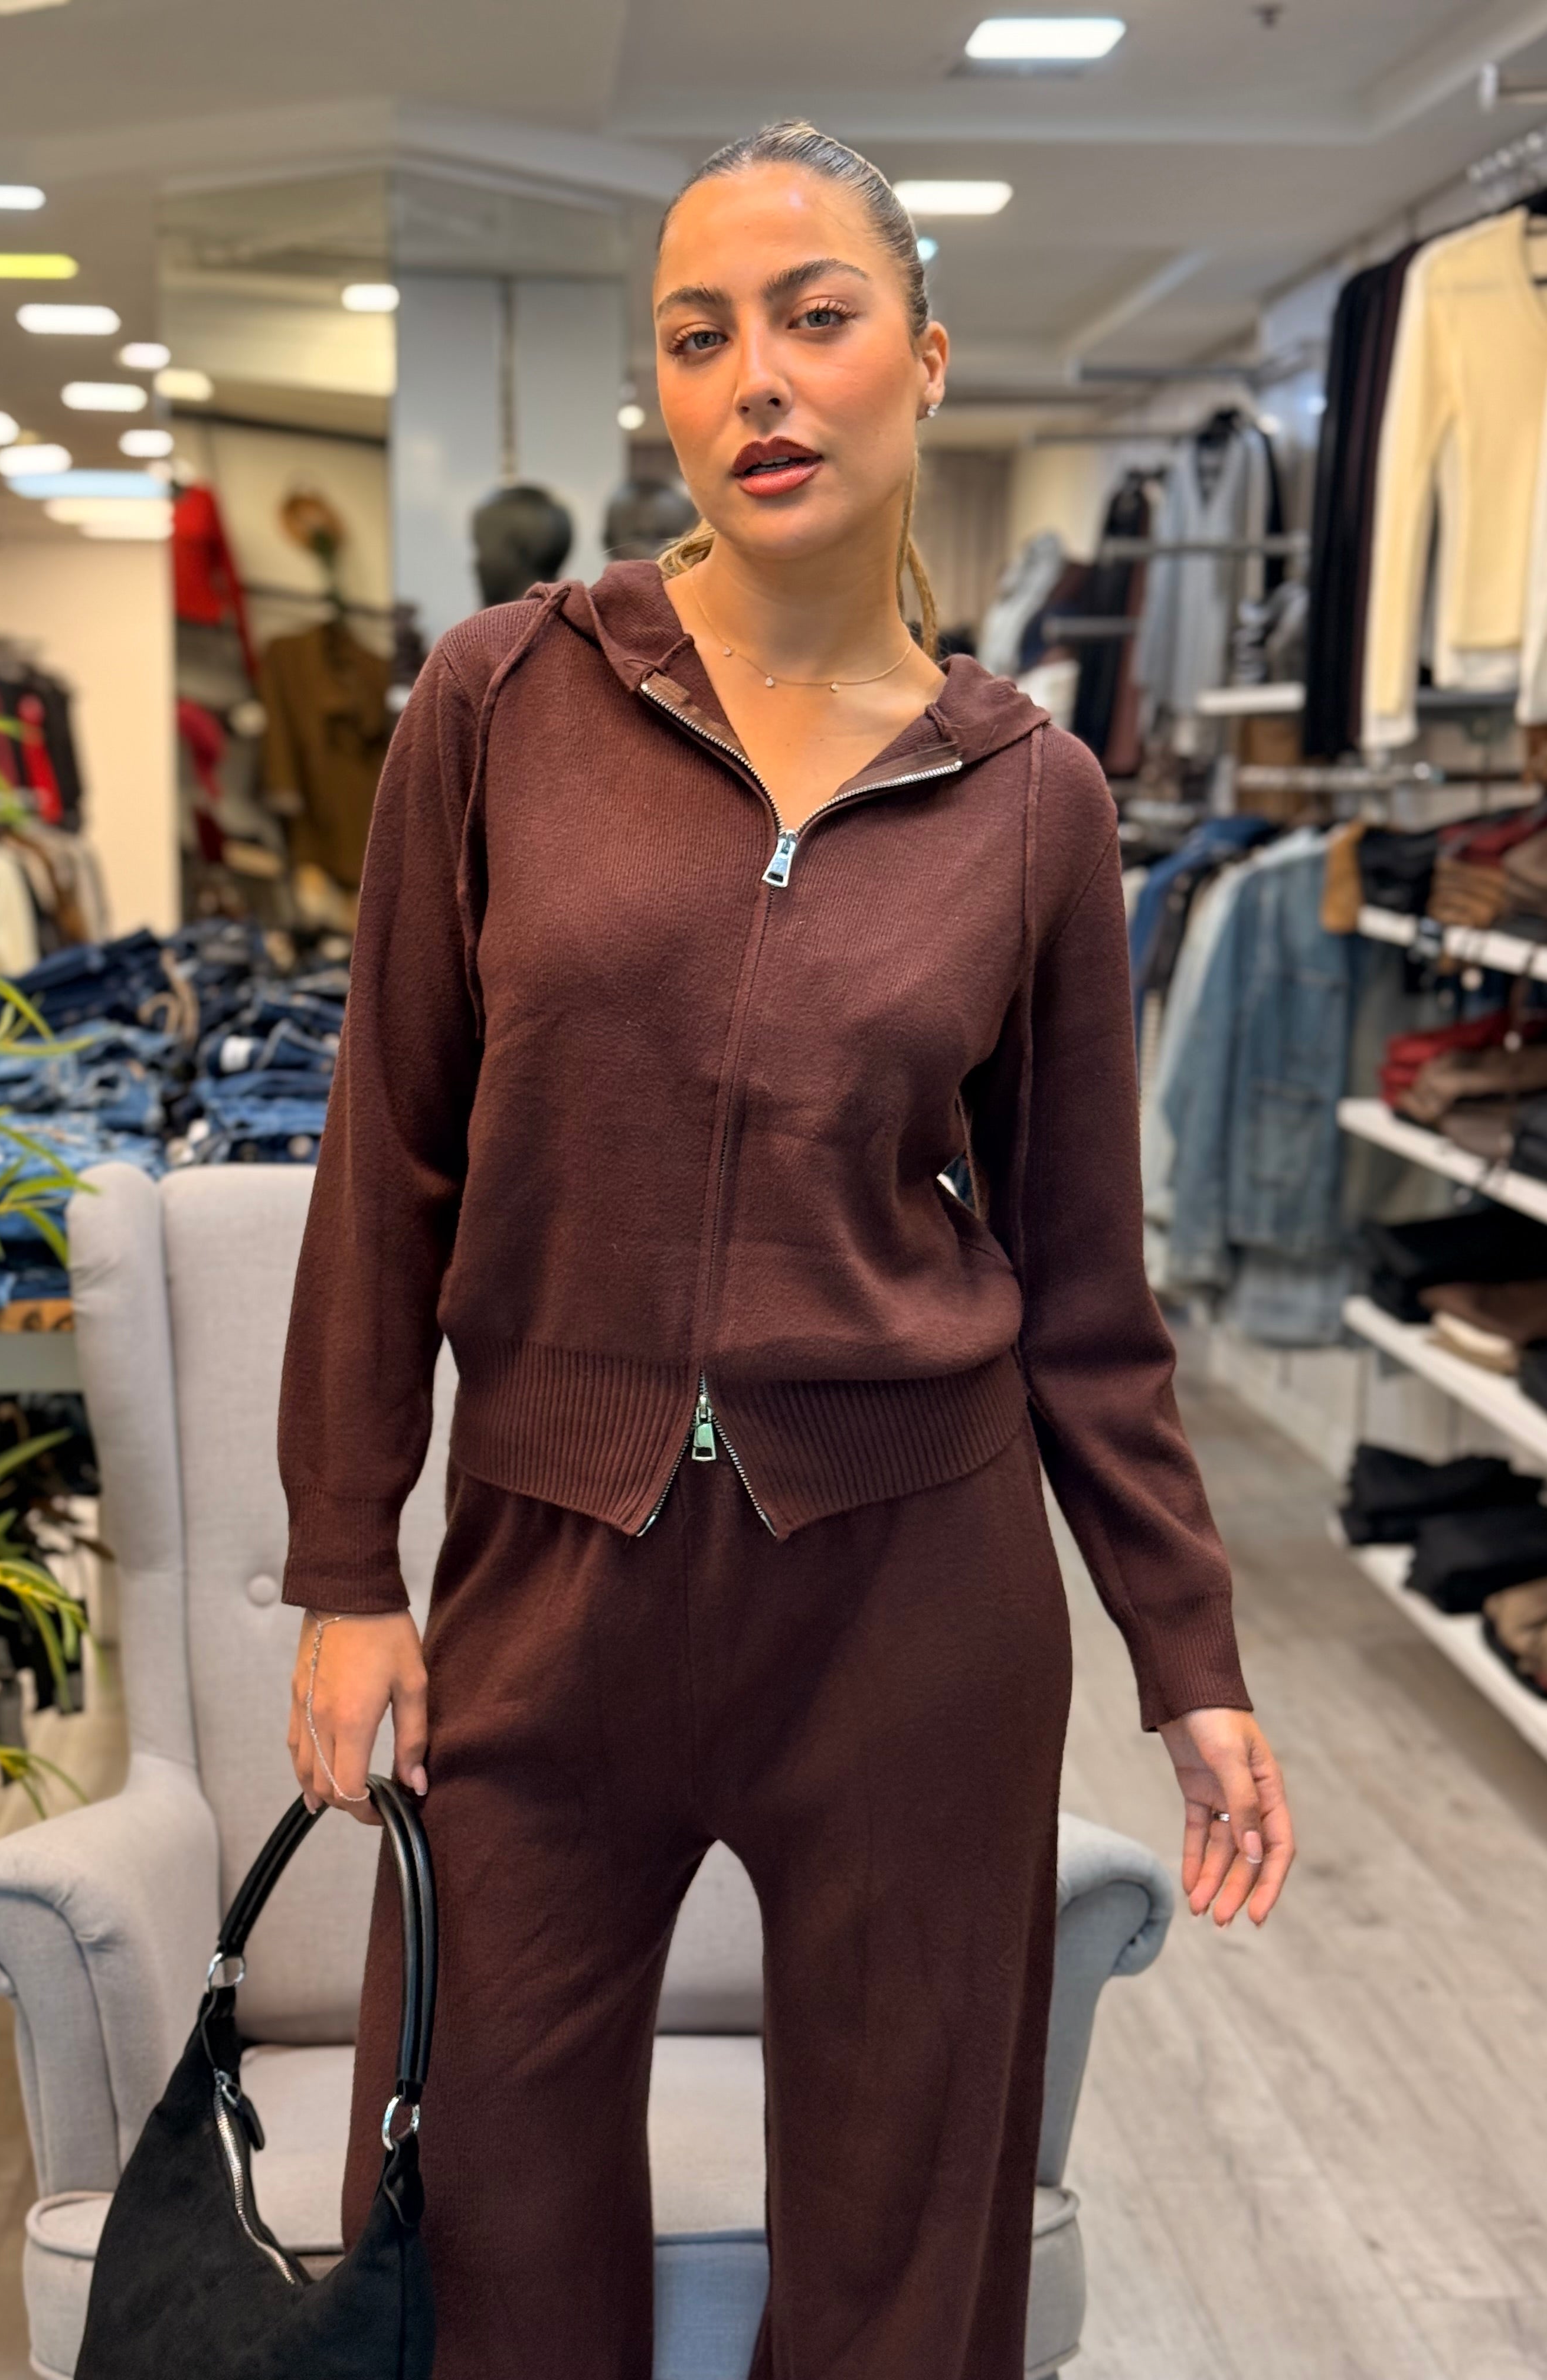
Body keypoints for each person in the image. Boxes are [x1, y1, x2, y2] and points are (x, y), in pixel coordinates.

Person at [277, 116, 1294, 2380]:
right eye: (697, 334)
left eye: (815, 318)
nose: (755, 377)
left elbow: (1085, 1287)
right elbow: (386, 1157)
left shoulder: (1033, 797)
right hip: (549, 1572)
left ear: (921, 357)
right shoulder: (503, 702)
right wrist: (346, 1565)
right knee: (479, 2213)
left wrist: (1190, 1653)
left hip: (910, 1595)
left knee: (901, 2252)